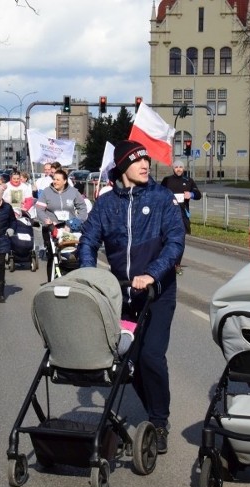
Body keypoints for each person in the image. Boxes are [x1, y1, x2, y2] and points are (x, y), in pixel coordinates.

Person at [78, 140, 185, 454]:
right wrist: (91, 276)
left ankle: (159, 421)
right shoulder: (106, 203)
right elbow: (88, 242)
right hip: (122, 295)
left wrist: (152, 273)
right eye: (137, 161)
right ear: (122, 166)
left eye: (147, 161)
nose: (145, 166)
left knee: (151, 355)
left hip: (157, 292)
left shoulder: (162, 198)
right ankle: (153, 409)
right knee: (129, 361)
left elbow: (175, 242)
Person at [35, 168, 88, 280]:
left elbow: (83, 209)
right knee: (52, 255)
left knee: (71, 254)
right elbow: (39, 209)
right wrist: (47, 221)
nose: (55, 182)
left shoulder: (74, 192)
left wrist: (76, 221)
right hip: (52, 227)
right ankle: (51, 280)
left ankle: (72, 277)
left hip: (69, 227)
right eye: (54, 179)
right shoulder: (46, 192)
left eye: (58, 180)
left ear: (65, 181)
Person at [160, 159, 202, 274]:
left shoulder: (188, 181)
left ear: (183, 169)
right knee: (167, 240)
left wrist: (191, 194)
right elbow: (159, 193)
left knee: (180, 241)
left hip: (182, 215)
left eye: (180, 167)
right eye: (176, 167)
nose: (178, 169)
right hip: (168, 215)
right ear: (173, 168)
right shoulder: (167, 180)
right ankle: (166, 263)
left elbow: (199, 195)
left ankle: (177, 264)